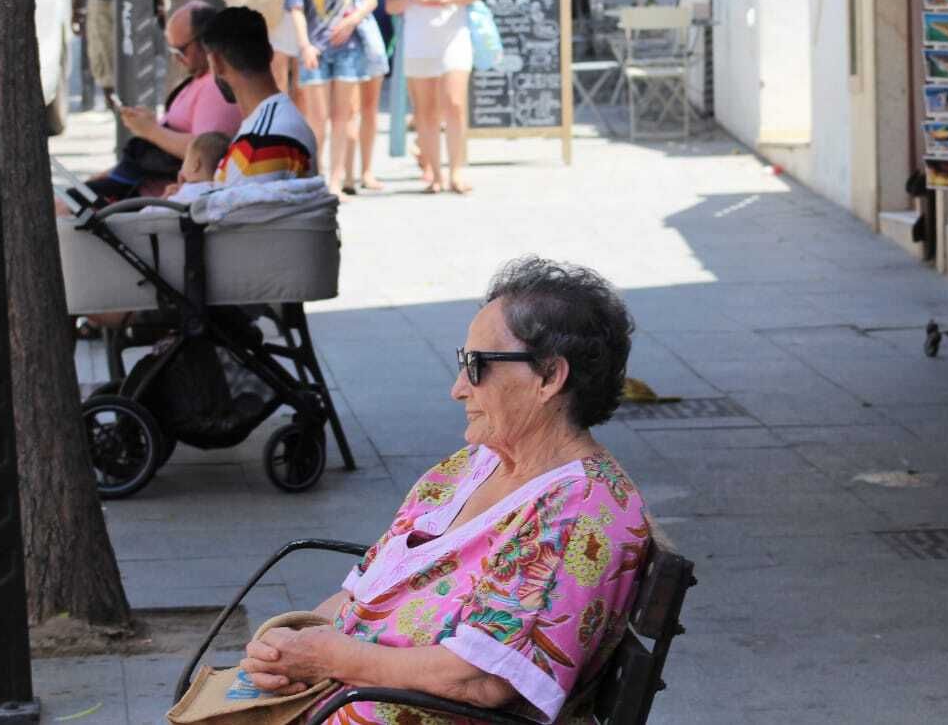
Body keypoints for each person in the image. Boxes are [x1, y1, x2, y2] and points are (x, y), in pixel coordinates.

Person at [238, 257, 650, 724]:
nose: (458, 388)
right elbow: (366, 589)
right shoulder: (475, 465)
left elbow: (479, 680)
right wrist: (288, 649)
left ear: (549, 377)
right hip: (342, 696)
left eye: (477, 365)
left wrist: (329, 658)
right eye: (462, 362)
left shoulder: (577, 513)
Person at [59, 1, 241, 209]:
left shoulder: (214, 87)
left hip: (150, 196)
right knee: (62, 205)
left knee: (62, 208)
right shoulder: (199, 80)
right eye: (171, 50)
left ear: (206, 43)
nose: (176, 58)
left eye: (181, 50)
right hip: (139, 185)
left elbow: (207, 151)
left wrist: (150, 130)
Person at [381, 0, 479, 194]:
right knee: (425, 112)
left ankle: (458, 170)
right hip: (419, 43)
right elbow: (391, 5)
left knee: (456, 104)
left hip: (453, 38)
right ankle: (435, 173)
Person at [285, 0, 382, 196]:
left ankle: (337, 180)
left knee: (344, 116)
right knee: (317, 118)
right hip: (316, 47)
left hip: (348, 46)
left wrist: (352, 20)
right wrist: (305, 46)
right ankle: (318, 175)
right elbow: (296, 9)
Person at [200, 5, 318, 185]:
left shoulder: (260, 142)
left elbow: (235, 212)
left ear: (216, 63)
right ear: (270, 52)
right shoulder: (275, 122)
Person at [345, 0, 401, 191]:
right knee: (349, 106)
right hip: (351, 31)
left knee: (370, 105)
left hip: (382, 30)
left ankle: (367, 169)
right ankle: (348, 171)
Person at [159, 132, 231, 204]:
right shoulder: (220, 191)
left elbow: (153, 212)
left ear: (195, 165)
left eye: (185, 159)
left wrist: (165, 197)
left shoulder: (188, 192)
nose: (183, 164)